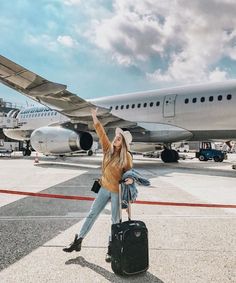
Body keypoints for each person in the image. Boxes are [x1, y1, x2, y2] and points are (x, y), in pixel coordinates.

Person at [63, 108, 134, 262]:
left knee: (115, 221)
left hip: (117, 191)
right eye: (116, 137)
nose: (115, 140)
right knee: (92, 213)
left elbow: (130, 174)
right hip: (104, 187)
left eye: (119, 139)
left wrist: (130, 181)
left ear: (124, 143)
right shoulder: (108, 149)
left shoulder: (127, 156)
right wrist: (94, 116)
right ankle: (78, 241)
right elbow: (101, 132)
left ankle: (111, 249)